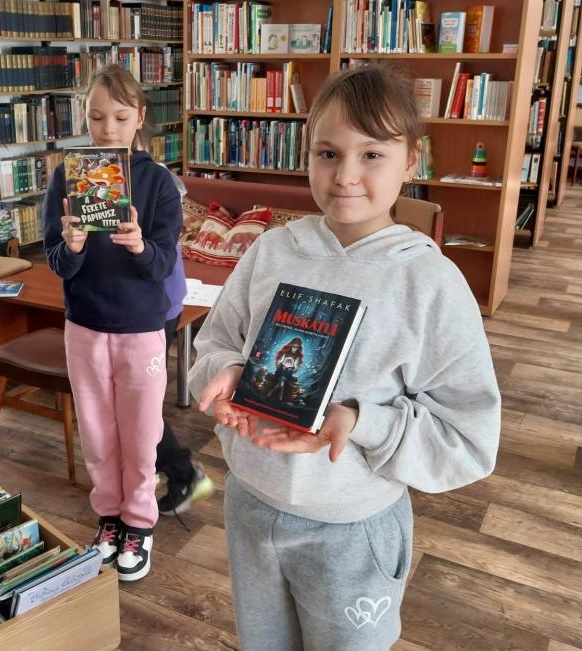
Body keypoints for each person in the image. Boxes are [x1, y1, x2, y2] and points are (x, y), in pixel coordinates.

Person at [189, 63, 501, 650]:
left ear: (411, 161)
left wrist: (359, 421)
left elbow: (469, 439)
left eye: (372, 154)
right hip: (250, 503)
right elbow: (216, 343)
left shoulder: (430, 282)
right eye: (328, 153)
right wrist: (227, 373)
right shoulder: (270, 250)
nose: (346, 176)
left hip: (353, 528)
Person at [43, 64, 182, 581]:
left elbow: (164, 264)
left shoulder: (158, 181)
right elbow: (57, 262)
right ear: (84, 117)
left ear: (140, 117)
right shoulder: (66, 177)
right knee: (98, 433)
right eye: (97, 117)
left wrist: (141, 246)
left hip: (140, 328)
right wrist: (73, 246)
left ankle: (139, 522)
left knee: (141, 434)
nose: (107, 129)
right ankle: (108, 517)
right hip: (84, 324)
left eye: (121, 118)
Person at [155, 174, 214, 517]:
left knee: (140, 406)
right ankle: (165, 469)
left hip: (154, 307)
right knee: (135, 403)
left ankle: (185, 475)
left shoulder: (157, 180)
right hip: (153, 304)